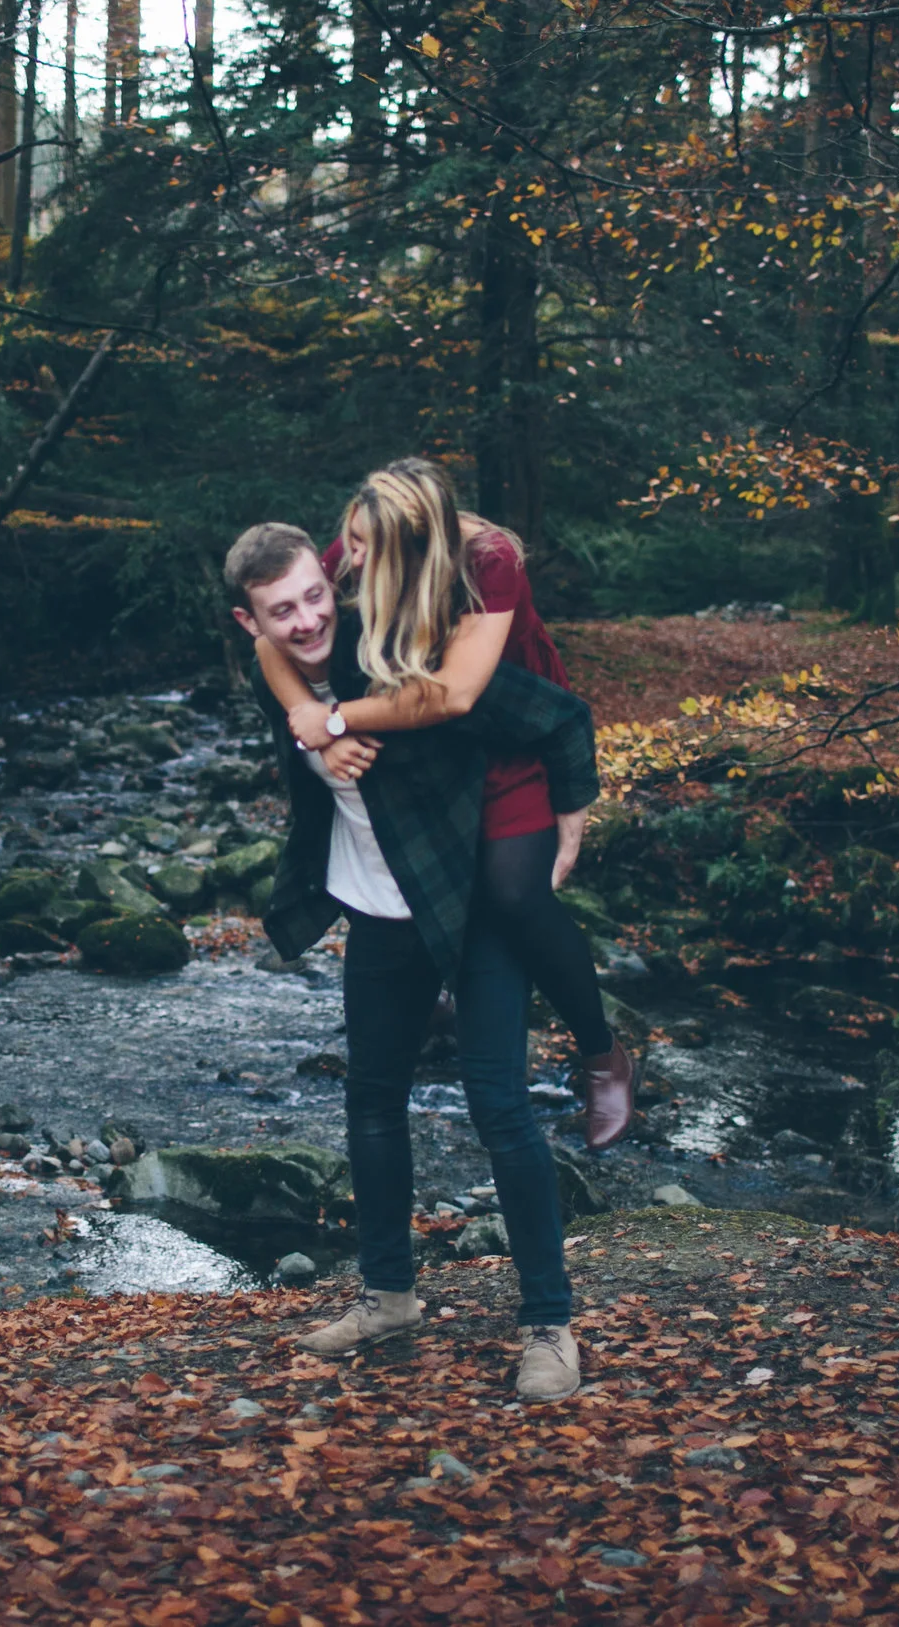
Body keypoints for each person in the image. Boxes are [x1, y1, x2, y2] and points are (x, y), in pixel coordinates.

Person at [224, 520, 595, 1402]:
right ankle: (389, 1296)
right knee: (372, 1099)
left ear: (331, 576)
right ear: (252, 624)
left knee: (500, 1104)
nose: (309, 619)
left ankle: (550, 1322)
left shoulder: (398, 654)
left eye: (316, 594)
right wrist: (309, 726)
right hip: (379, 909)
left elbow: (551, 712)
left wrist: (570, 816)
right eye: (283, 612)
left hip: (467, 897)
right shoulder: (272, 669)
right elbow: (289, 689)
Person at [253, 459, 640, 1151]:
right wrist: (305, 713)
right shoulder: (355, 547)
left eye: (371, 548)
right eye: (353, 537)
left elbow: (457, 693)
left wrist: (337, 720)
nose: (352, 558)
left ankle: (601, 1052)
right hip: (427, 741)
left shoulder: (489, 564)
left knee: (515, 891)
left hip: (511, 733)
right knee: (414, 862)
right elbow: (269, 638)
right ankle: (432, 985)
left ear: (421, 550)